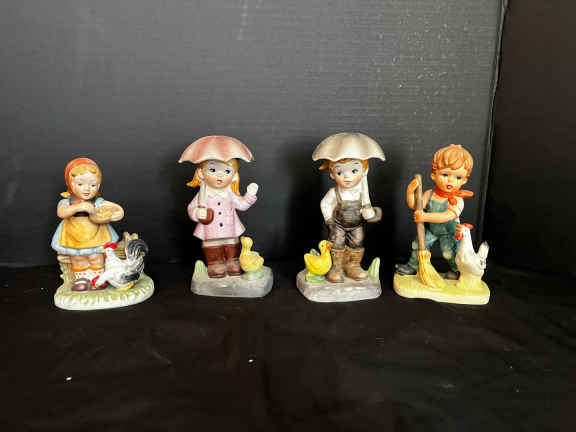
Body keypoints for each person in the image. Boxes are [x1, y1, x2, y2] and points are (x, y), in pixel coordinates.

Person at [396, 144, 474, 279]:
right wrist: (410, 192)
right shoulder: (429, 194)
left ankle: (457, 270)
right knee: (419, 244)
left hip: (449, 232)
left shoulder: (457, 199)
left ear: (465, 180)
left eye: (458, 177)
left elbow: (447, 215)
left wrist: (424, 216)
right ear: (434, 175)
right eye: (445, 174)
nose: (451, 180)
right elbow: (415, 206)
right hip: (432, 230)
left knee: (448, 252)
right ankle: (413, 266)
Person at [51, 158, 123, 291]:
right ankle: (81, 279)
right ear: (71, 184)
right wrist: (78, 207)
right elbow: (61, 212)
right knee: (78, 258)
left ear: (98, 186)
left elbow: (111, 208)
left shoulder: (97, 201)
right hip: (73, 235)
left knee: (96, 256)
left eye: (93, 185)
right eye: (80, 184)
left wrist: (117, 213)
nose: (87, 188)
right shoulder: (67, 201)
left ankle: (98, 278)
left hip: (96, 234)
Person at [187, 158, 258, 278]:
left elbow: (242, 205)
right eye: (212, 170)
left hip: (230, 228)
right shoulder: (202, 194)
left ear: (234, 176)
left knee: (232, 244)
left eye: (227, 171)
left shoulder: (230, 193)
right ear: (201, 173)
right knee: (212, 245)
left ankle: (233, 261)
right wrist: (197, 212)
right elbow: (191, 207)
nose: (219, 175)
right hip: (210, 230)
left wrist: (250, 195)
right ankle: (215, 263)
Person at [320, 158, 381, 282]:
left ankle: (353, 266)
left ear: (364, 171)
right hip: (338, 225)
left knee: (357, 241)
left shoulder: (361, 192)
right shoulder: (334, 192)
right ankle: (336, 267)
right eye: (339, 172)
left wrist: (368, 211)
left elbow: (367, 209)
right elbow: (324, 204)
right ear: (332, 174)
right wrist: (328, 219)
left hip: (356, 225)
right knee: (337, 242)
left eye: (354, 171)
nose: (347, 177)